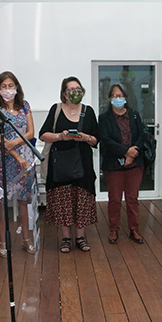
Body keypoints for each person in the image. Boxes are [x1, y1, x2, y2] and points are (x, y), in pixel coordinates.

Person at [39, 76, 99, 253]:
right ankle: (65, 238)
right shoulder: (56, 110)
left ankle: (80, 237)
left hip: (83, 165)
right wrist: (60, 136)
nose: (75, 92)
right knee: (63, 201)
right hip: (60, 165)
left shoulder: (88, 111)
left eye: (78, 89)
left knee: (81, 200)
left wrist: (85, 137)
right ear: (64, 94)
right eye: (71, 90)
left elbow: (96, 140)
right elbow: (43, 135)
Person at [0, 71, 38, 257]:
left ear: (17, 87)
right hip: (3, 161)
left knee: (24, 201)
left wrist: (15, 143)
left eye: (11, 85)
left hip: (25, 158)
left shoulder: (25, 106)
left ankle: (26, 239)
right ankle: (2, 242)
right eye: (4, 86)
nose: (8, 90)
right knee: (1, 203)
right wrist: (17, 157)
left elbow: (31, 133)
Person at [98, 83, 146, 245]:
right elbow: (106, 140)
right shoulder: (104, 118)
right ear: (110, 98)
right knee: (115, 199)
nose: (117, 99)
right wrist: (126, 152)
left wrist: (133, 154)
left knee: (132, 198)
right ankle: (114, 230)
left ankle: (134, 229)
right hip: (114, 164)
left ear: (126, 97)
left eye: (120, 96)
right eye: (114, 96)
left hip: (135, 163)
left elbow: (142, 135)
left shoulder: (134, 115)